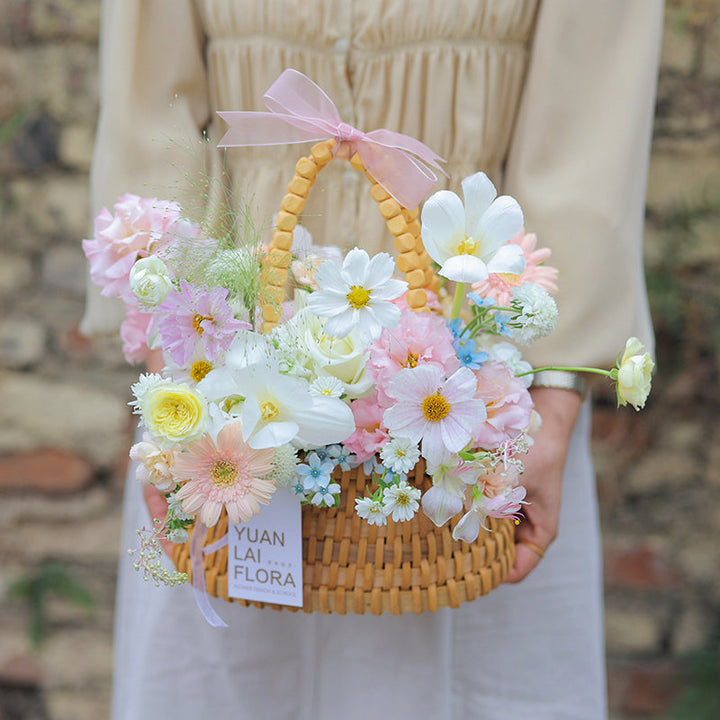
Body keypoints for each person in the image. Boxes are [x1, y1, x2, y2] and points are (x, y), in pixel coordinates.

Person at [82, 1, 663, 718]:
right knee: (228, 677)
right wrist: (173, 368)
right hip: (230, 386)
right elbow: (151, 116)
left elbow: (591, 123)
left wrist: (558, 388)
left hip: (480, 403)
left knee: (470, 672)